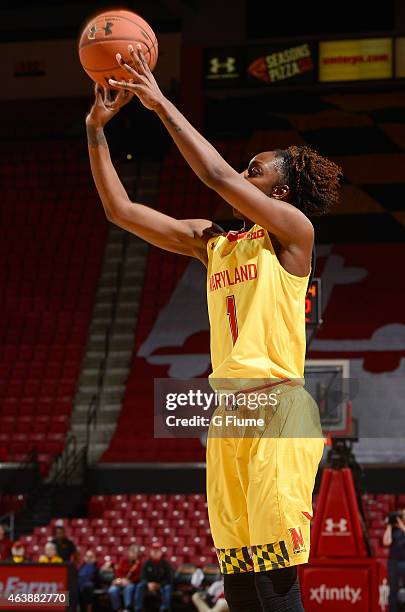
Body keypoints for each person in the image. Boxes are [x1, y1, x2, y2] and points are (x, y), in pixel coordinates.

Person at [86, 44, 341, 612]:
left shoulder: (292, 234)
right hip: (231, 414)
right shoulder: (214, 242)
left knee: (275, 577)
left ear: (281, 192)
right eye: (248, 166)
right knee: (240, 578)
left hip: (279, 406)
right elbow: (121, 212)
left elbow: (216, 174)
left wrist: (159, 104)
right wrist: (95, 131)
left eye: (260, 170)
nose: (246, 171)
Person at [134, 542, 173, 612]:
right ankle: (138, 608)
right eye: (153, 550)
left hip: (161, 585)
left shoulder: (166, 564)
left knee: (168, 587)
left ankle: (164, 608)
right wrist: (148, 583)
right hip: (148, 585)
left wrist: (159, 584)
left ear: (160, 552)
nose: (155, 552)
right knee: (140, 586)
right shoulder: (147, 563)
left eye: (157, 551)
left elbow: (169, 578)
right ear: (151, 552)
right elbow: (142, 576)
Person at [108, 544, 141, 612]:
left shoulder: (139, 563)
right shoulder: (123, 561)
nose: (132, 554)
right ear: (128, 552)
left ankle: (127, 608)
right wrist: (121, 580)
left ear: (137, 554)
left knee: (129, 588)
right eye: (131, 552)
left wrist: (129, 581)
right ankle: (117, 608)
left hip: (131, 583)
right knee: (112, 590)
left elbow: (139, 576)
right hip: (121, 581)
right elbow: (118, 572)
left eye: (135, 552)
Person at [383, 509, 405, 611]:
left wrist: (401, 525)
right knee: (393, 590)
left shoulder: (402, 528)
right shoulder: (393, 529)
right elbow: (386, 542)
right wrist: (389, 525)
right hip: (394, 562)